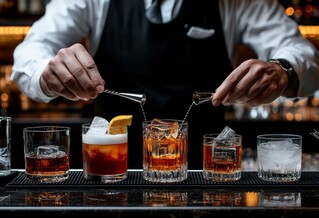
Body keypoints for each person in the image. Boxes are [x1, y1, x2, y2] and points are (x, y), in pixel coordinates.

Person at [11, 0, 319, 169]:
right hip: (108, 172)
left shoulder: (237, 2)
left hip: (204, 175)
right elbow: (29, 54)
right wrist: (47, 73)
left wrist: (284, 71)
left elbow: (306, 55)